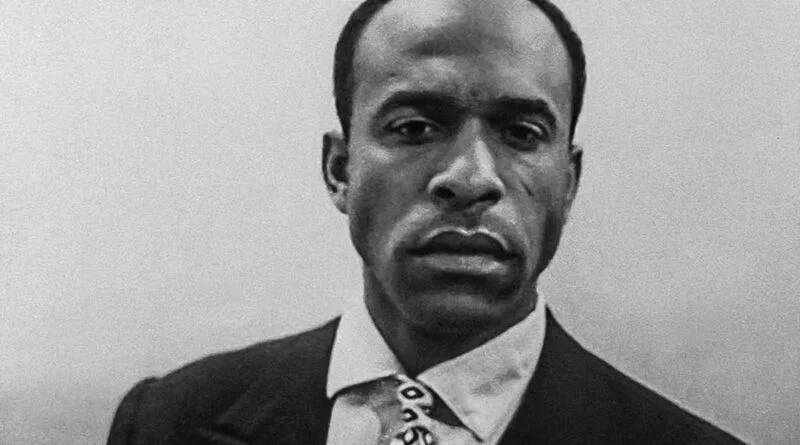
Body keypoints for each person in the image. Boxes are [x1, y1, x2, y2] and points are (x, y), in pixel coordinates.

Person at [107, 0, 747, 444]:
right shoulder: (168, 424)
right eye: (414, 127)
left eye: (522, 133)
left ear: (569, 182)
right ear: (339, 170)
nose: (471, 177)